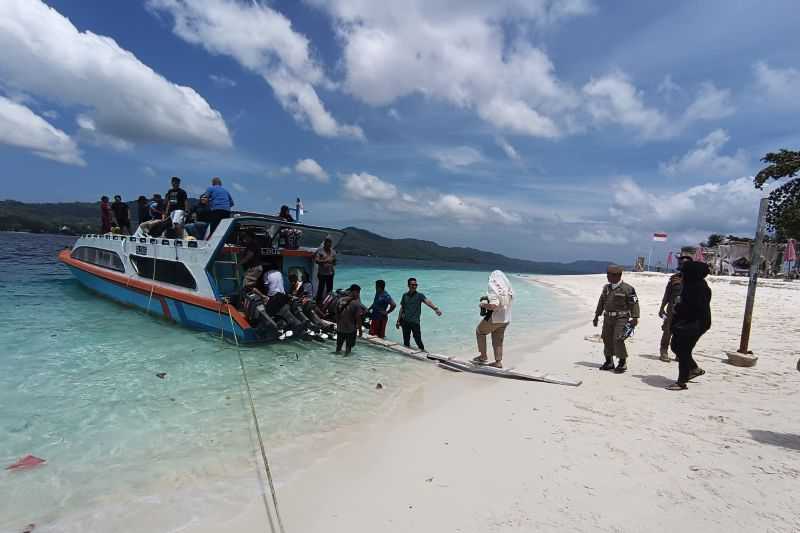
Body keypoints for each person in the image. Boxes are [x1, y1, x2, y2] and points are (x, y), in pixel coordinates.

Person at [667, 261, 711, 390]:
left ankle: (681, 381)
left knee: (683, 350)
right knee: (675, 346)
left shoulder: (698, 288)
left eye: (684, 272)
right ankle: (693, 369)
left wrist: (679, 308)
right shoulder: (690, 285)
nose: (682, 274)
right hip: (686, 322)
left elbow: (693, 307)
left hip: (695, 324)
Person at [593, 265, 640, 373]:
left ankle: (622, 362)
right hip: (608, 317)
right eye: (607, 275)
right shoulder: (606, 288)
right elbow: (601, 302)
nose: (608, 277)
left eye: (609, 275)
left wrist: (635, 317)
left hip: (621, 318)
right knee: (606, 338)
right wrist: (596, 315)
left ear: (618, 276)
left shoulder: (628, 289)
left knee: (618, 339)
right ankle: (609, 362)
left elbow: (634, 303)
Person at [473, 270, 513, 368]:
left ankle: (483, 356)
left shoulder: (493, 289)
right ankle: (498, 362)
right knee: (498, 340)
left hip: (495, 318)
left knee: (480, 331)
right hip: (506, 318)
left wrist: (482, 304)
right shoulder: (508, 289)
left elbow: (494, 306)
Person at [658, 256, 693, 362]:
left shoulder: (695, 280)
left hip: (687, 311)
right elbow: (667, 294)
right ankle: (663, 352)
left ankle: (679, 353)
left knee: (683, 333)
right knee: (667, 331)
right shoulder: (674, 278)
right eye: (681, 263)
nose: (682, 265)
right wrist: (661, 308)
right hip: (672, 310)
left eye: (685, 264)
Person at [396, 277, 442, 351]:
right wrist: (398, 321)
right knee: (406, 341)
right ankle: (407, 357)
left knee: (418, 339)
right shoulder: (405, 295)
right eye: (412, 285)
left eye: (416, 285)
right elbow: (402, 309)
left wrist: (435, 309)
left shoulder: (419, 295)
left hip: (415, 322)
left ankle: (423, 353)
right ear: (408, 285)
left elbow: (427, 302)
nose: (414, 286)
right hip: (405, 322)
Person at [336, 284, 364, 355]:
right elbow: (358, 318)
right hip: (350, 330)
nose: (358, 294)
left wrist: (338, 324)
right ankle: (347, 363)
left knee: (338, 348)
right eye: (358, 292)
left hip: (340, 328)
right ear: (354, 292)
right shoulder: (356, 303)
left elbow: (336, 313)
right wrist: (360, 330)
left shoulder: (340, 300)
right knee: (348, 349)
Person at [314, 237, 337, 303]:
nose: (329, 245)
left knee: (330, 290)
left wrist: (333, 262)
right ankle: (318, 302)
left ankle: (328, 303)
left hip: (330, 273)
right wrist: (326, 261)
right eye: (328, 243)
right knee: (320, 289)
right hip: (322, 274)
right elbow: (316, 261)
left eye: (330, 243)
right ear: (325, 243)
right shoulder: (320, 251)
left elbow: (334, 263)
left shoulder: (333, 252)